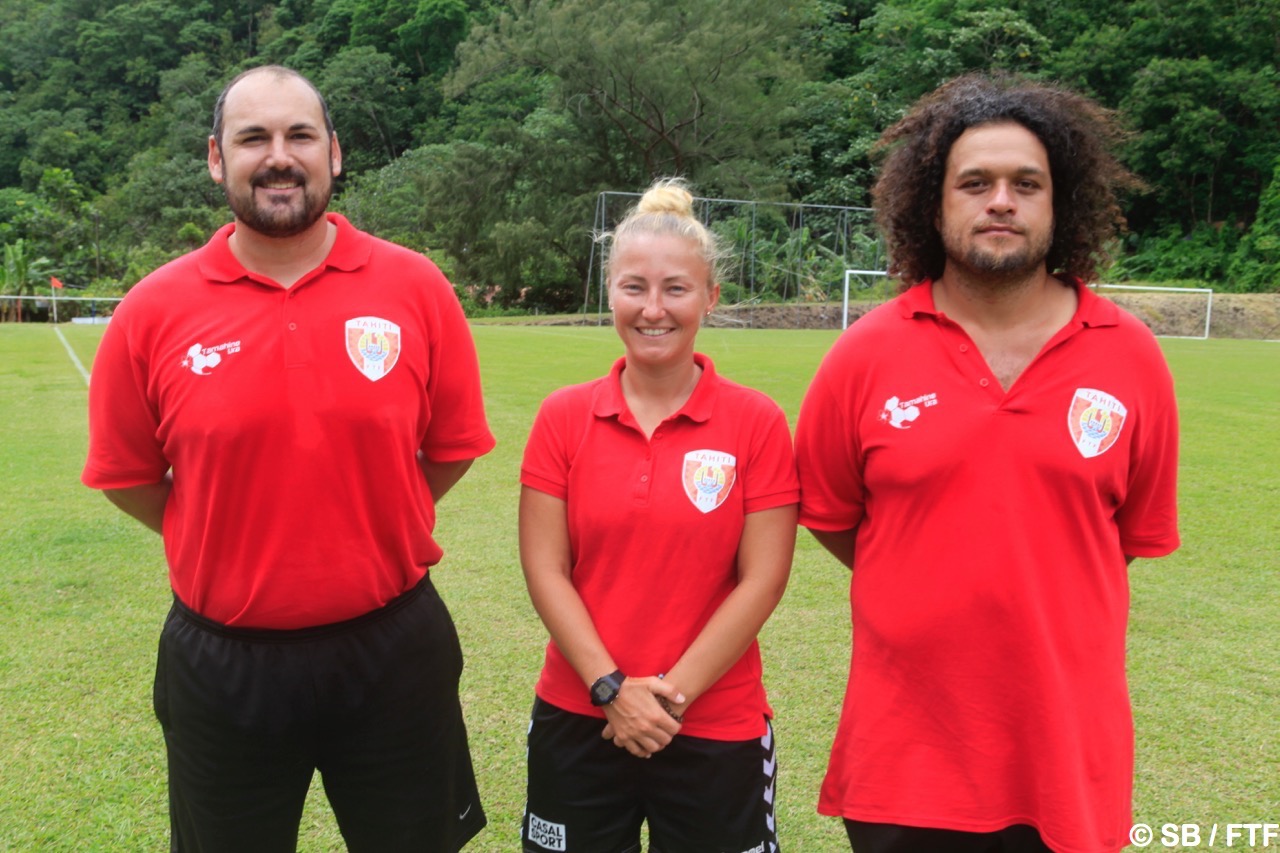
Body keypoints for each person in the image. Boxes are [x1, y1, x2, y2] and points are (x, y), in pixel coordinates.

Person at [81, 65, 494, 852]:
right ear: (215, 158)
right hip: (223, 663)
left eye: (300, 135)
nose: (279, 155)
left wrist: (373, 513)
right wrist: (218, 527)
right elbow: (130, 476)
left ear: (334, 153)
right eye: (253, 138)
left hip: (394, 651)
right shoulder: (153, 309)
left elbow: (448, 450)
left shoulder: (414, 287)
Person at [794, 73, 1181, 853]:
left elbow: (1126, 537)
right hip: (905, 762)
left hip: (1066, 761)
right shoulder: (864, 355)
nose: (999, 200)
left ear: (1057, 202)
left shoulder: (1132, 358)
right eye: (975, 182)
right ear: (933, 205)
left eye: (1025, 184)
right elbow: (835, 518)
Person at [517, 178, 799, 852]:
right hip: (580, 711)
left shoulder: (755, 421)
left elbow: (763, 578)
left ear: (710, 297)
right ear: (609, 292)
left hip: (713, 723)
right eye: (634, 287)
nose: (653, 309)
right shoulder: (563, 416)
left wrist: (666, 699)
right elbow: (545, 566)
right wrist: (610, 688)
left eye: (676, 288)